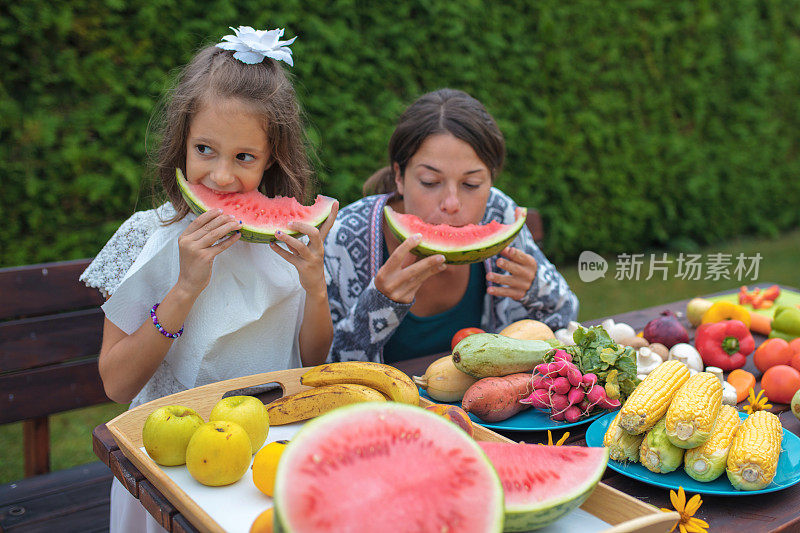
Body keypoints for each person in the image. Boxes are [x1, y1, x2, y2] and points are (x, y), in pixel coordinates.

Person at [79, 26, 337, 532]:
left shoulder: (291, 240)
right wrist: (185, 288)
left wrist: (315, 287)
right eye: (204, 150)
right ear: (181, 143)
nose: (220, 178)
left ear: (271, 161)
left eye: (244, 158)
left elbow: (314, 360)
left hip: (265, 458)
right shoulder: (143, 236)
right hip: (165, 464)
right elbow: (116, 382)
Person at [324, 88, 578, 364]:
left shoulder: (499, 213)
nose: (452, 203)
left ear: (491, 180)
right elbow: (321, 366)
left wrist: (538, 290)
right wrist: (379, 305)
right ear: (399, 175)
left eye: (471, 184)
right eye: (430, 182)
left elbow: (567, 319)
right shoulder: (346, 237)